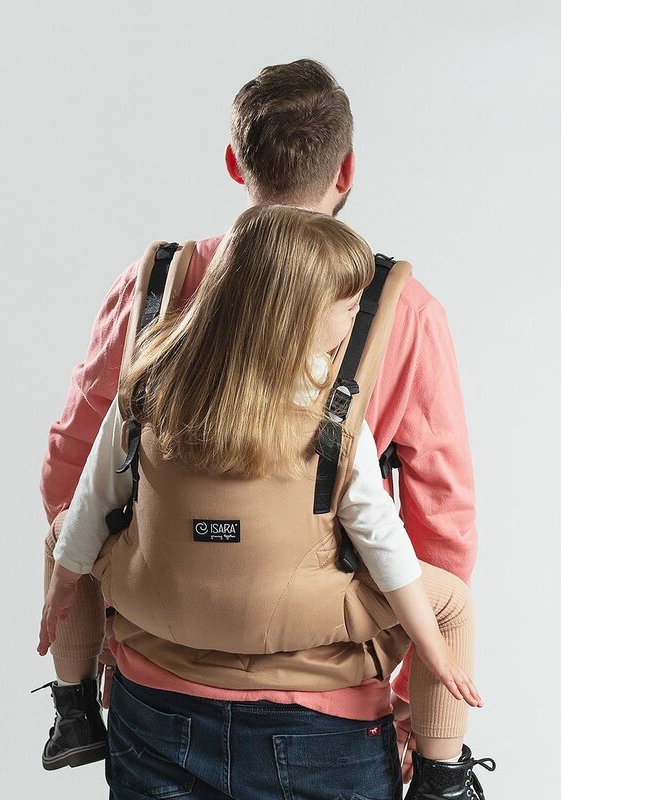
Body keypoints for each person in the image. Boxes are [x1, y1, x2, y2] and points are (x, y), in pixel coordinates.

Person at [38, 59, 490, 797]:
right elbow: (441, 526)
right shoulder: (402, 312)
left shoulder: (152, 291)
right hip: (329, 718)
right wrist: (420, 696)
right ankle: (447, 777)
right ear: (346, 169)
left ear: (235, 163)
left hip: (156, 699)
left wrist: (129, 606)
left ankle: (72, 712)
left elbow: (71, 475)